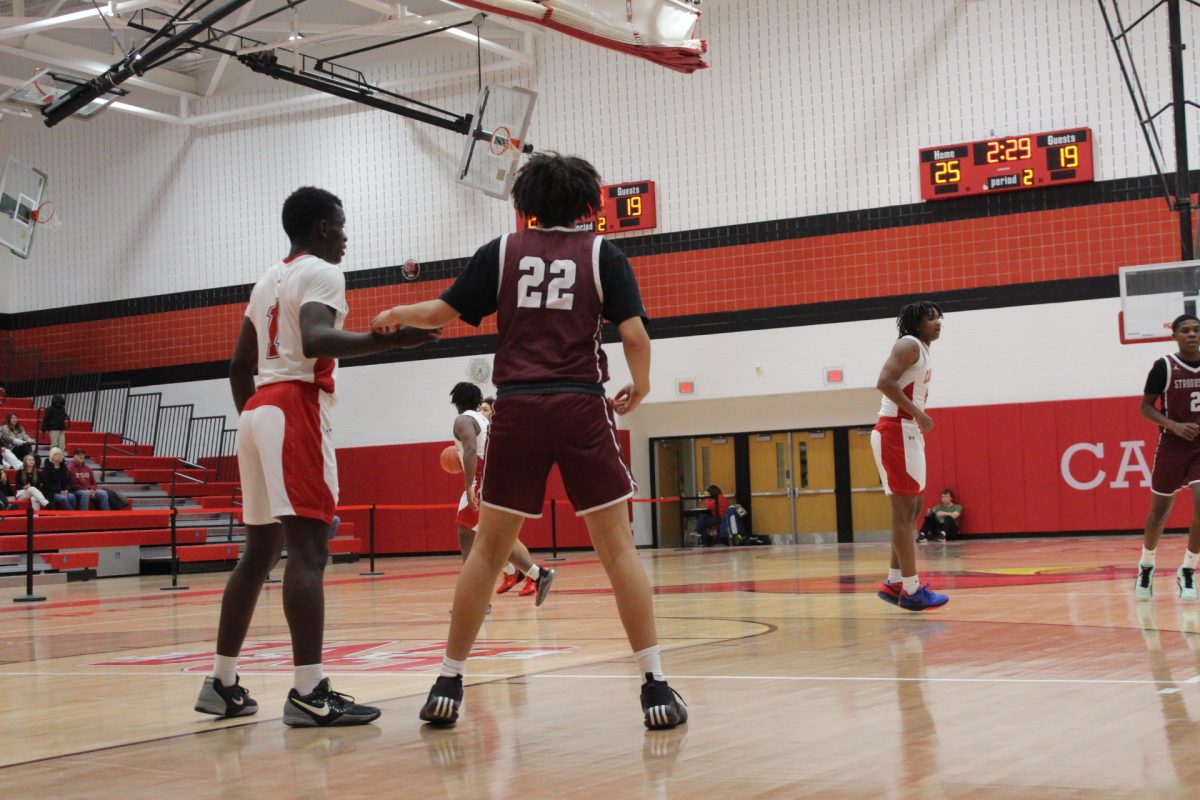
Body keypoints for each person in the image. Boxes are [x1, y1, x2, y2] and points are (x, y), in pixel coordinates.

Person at [372, 152, 686, 730]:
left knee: (489, 551)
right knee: (617, 549)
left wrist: (395, 310)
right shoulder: (603, 253)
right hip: (579, 403)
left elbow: (441, 310)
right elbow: (636, 337)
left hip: (516, 404)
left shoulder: (502, 252)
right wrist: (638, 387)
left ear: (526, 205)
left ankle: (447, 679)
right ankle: (655, 686)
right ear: (589, 203)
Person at [193, 186, 441, 727]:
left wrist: (255, 421)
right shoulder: (324, 273)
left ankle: (222, 682)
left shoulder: (265, 282)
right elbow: (313, 339)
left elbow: (239, 367)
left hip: (257, 408)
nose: (347, 236)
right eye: (342, 225)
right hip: (293, 406)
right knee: (309, 552)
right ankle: (308, 692)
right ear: (323, 228)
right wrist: (388, 343)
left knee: (258, 553)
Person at [871, 301, 949, 611]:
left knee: (912, 509)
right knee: (903, 513)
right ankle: (912, 589)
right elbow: (883, 382)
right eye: (931, 318)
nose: (938, 322)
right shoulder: (908, 344)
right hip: (896, 430)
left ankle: (894, 582)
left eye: (939, 317)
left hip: (906, 432)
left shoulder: (923, 349)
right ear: (916, 324)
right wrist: (919, 413)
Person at [448, 381, 554, 600]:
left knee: (478, 537)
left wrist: (469, 484)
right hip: (494, 479)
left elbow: (469, 448)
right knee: (478, 535)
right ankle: (533, 574)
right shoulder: (485, 421)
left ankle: (476, 595)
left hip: (480, 482)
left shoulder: (463, 419)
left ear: (456, 401)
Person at [1134, 313, 1200, 601]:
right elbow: (1145, 407)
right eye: (1185, 330)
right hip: (1173, 445)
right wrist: (1174, 425)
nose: (1192, 334)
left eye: (1196, 330)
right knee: (1158, 513)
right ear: (1174, 336)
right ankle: (1146, 564)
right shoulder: (1164, 367)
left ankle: (1188, 569)